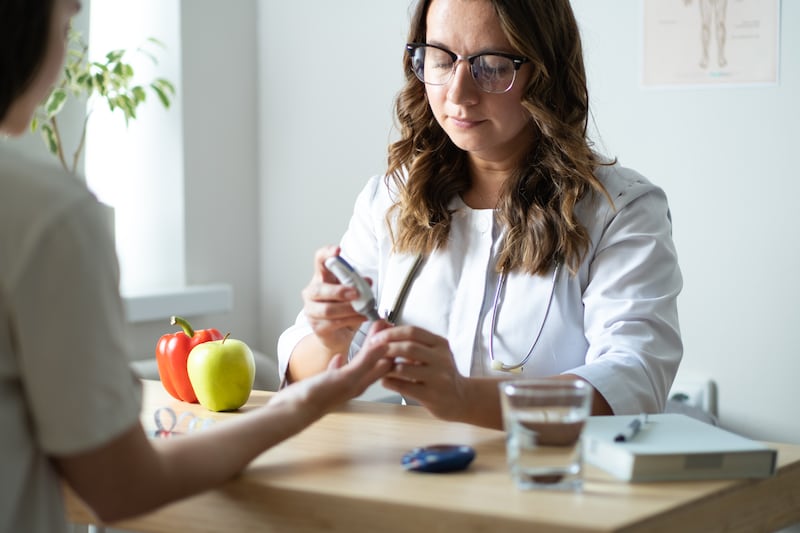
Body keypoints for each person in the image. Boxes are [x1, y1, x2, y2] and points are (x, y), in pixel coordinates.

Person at [0, 1, 391, 531]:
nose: (72, 17)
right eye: (66, 16)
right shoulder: (49, 214)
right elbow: (121, 486)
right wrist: (299, 406)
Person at [278, 0, 683, 429]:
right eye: (440, 59)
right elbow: (303, 373)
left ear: (546, 73)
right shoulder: (391, 200)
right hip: (418, 480)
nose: (457, 94)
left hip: (553, 479)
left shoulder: (620, 210)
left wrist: (463, 398)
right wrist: (331, 339)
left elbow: (633, 381)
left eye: (491, 66)